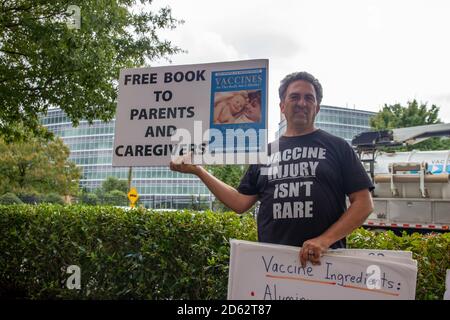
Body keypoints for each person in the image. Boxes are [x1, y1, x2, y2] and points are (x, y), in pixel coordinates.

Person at [170, 71, 374, 267]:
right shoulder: (264, 153)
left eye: (309, 98)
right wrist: (199, 171)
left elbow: (364, 203)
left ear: (317, 107)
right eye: (294, 97)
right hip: (273, 268)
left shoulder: (338, 147)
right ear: (282, 106)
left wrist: (324, 241)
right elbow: (240, 203)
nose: (302, 103)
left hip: (326, 265)